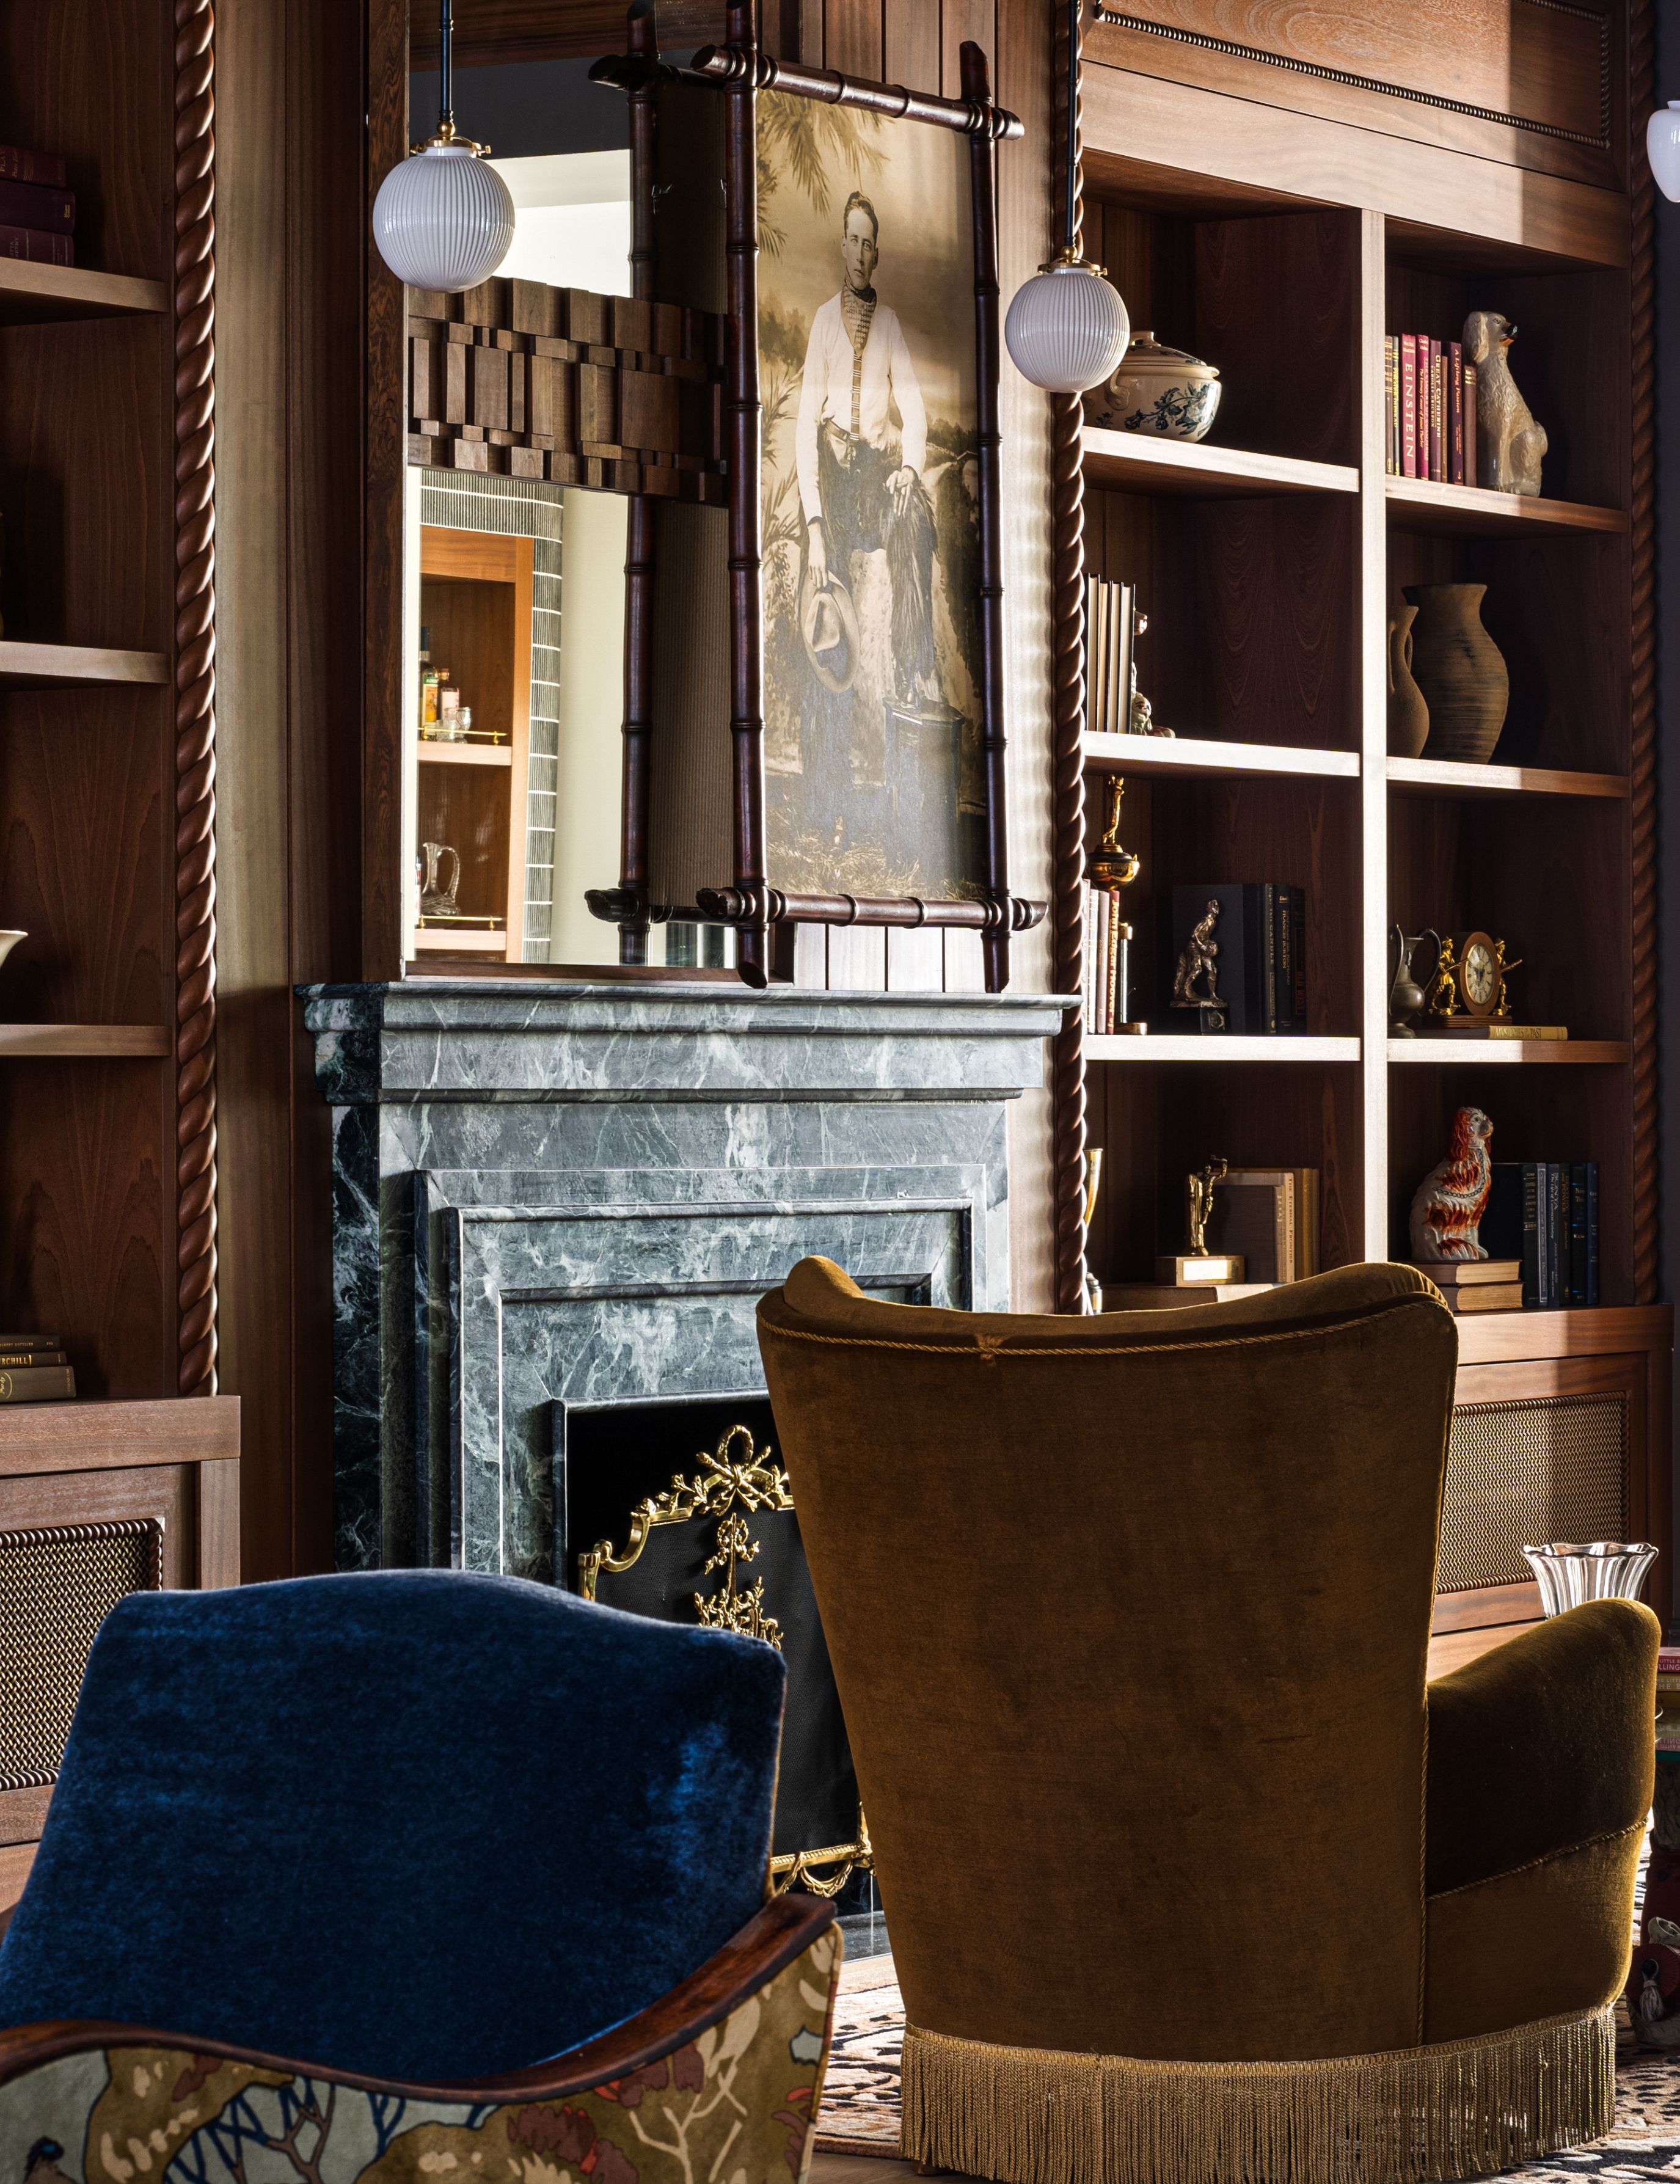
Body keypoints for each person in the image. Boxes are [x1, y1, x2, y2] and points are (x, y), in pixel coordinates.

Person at [795, 189, 938, 703]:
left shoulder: (891, 324)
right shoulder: (823, 321)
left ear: (877, 255)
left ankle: (912, 671)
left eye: (868, 245)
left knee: (916, 519)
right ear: (843, 246)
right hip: (833, 482)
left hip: (874, 479)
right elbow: (804, 426)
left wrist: (909, 471)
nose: (860, 254)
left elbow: (915, 409)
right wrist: (814, 527)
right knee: (822, 578)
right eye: (853, 241)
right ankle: (828, 736)